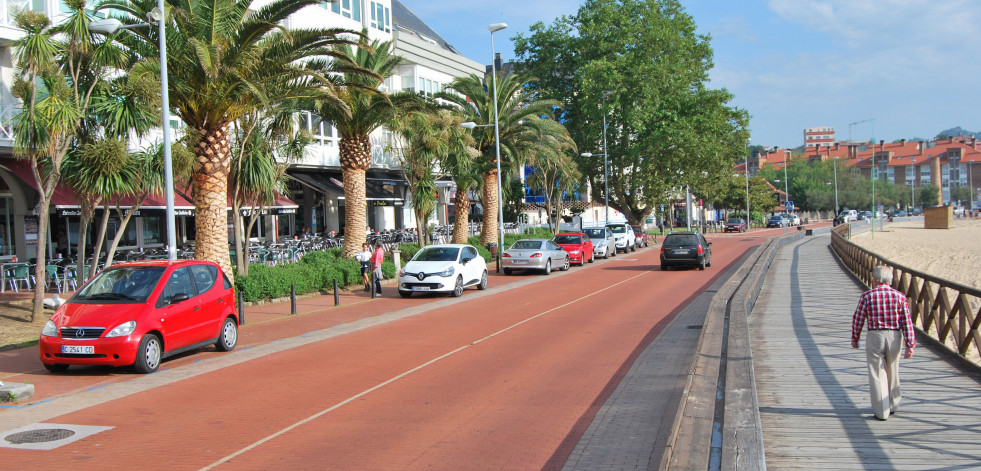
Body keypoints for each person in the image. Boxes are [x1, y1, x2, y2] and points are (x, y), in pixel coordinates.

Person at [851, 266, 915, 421]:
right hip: (894, 335)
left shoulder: (867, 296)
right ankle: (893, 404)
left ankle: (881, 411)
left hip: (875, 335)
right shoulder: (899, 297)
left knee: (877, 373)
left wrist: (855, 337)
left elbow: (858, 318)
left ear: (875, 279)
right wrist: (910, 344)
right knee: (893, 368)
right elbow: (906, 322)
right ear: (889, 280)